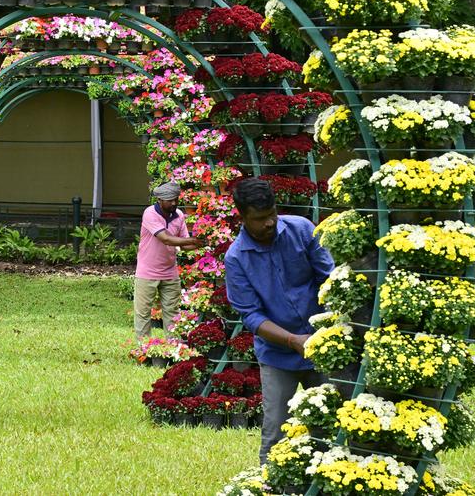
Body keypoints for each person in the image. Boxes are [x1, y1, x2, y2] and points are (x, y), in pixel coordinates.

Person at [223, 178, 335, 465]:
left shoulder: (302, 229)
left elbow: (329, 277)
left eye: (272, 214)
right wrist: (292, 340)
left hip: (322, 345)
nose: (269, 223)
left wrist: (328, 329)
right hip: (277, 356)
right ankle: (268, 485)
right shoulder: (236, 258)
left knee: (331, 425)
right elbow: (251, 316)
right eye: (259, 219)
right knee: (275, 433)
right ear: (243, 217)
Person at [134, 181, 204, 340]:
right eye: (169, 200)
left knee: (172, 313)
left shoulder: (178, 215)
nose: (174, 203)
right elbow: (166, 239)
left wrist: (203, 243)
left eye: (175, 199)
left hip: (170, 273)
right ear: (159, 200)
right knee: (143, 314)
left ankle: (173, 349)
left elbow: (184, 245)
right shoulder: (150, 213)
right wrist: (191, 241)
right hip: (147, 272)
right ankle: (143, 351)